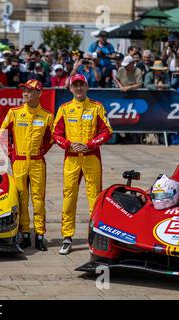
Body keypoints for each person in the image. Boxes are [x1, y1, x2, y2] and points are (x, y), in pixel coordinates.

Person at [52, 74, 113, 255]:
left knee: (94, 196)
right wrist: (69, 144)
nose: (78, 88)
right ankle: (67, 237)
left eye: (81, 85)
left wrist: (90, 144)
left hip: (91, 156)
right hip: (71, 157)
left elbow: (107, 131)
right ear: (70, 88)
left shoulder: (97, 107)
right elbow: (56, 134)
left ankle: (94, 234)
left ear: (87, 87)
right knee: (69, 196)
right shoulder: (64, 108)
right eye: (75, 85)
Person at [0, 79, 53, 251]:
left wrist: (40, 151)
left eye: (30, 91)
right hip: (19, 161)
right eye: (24, 90)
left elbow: (51, 138)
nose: (25, 93)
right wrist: (10, 152)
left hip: (37, 162)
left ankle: (39, 235)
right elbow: (2, 132)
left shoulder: (47, 116)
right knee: (21, 198)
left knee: (38, 200)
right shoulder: (14, 112)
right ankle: (24, 234)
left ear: (39, 93)